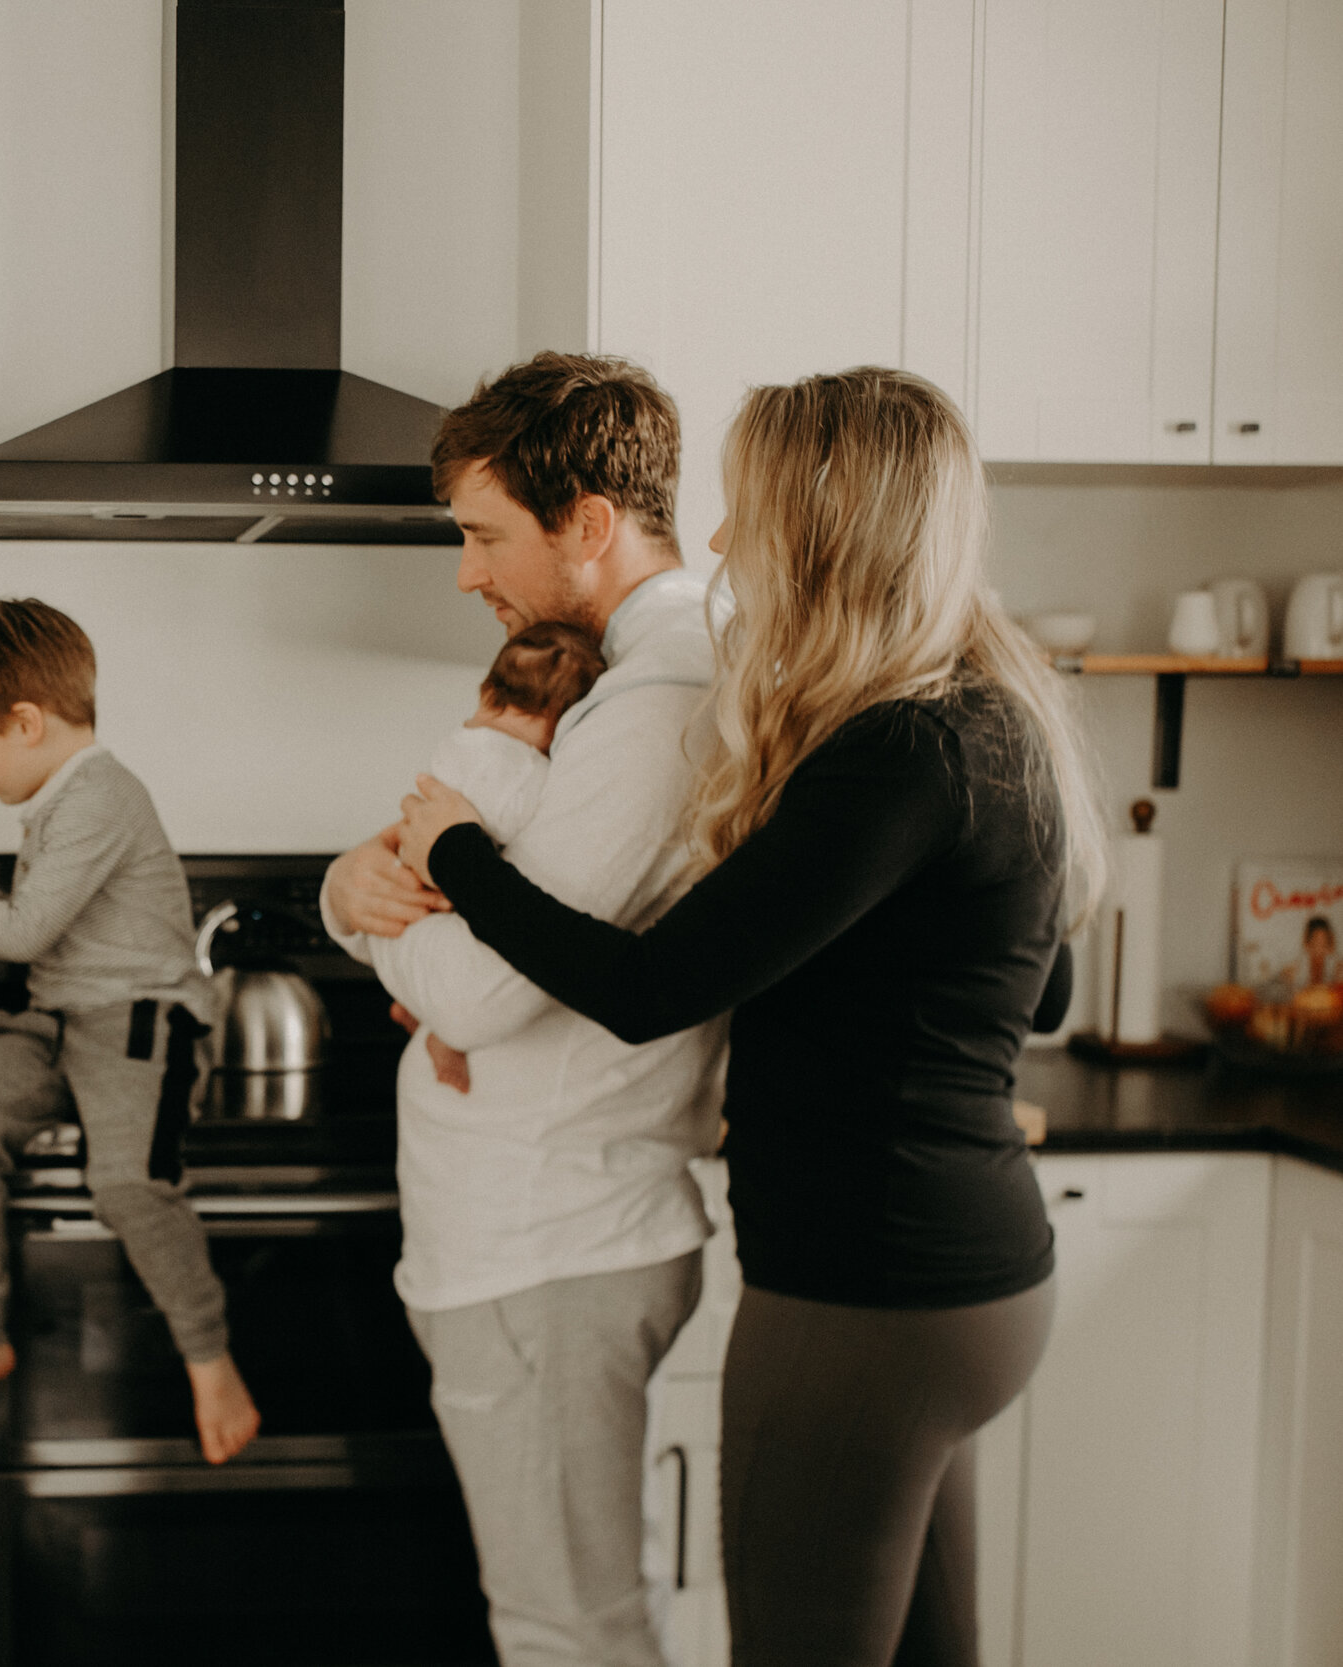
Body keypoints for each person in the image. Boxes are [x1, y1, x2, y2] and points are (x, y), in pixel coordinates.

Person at [393, 366, 1101, 1667]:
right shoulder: (996, 720)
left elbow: (646, 986)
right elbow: (1039, 986)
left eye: (750, 511)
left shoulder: (892, 751)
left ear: (826, 529)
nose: (721, 542)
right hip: (978, 1283)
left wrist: (456, 853)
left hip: (860, 1299)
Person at [322, 351, 730, 1667]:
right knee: (563, 1612)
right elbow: (452, 878)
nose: (466, 572)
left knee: (572, 1627)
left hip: (549, 1237)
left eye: (485, 534)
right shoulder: (612, 689)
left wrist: (371, 917)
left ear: (590, 524)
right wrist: (354, 886)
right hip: (537, 1235)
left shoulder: (655, 707)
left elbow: (484, 985)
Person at [0, 598, 261, 1464]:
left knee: (127, 1184)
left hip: (140, 1018)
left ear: (25, 723)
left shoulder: (101, 796)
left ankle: (209, 1355)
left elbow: (26, 934)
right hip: (59, 1012)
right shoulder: (59, 798)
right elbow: (37, 922)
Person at [418, 620, 607, 1094]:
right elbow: (532, 830)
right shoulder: (525, 770)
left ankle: (416, 1011)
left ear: (487, 694)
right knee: (471, 982)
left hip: (420, 876)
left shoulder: (456, 743)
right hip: (456, 889)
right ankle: (446, 1040)